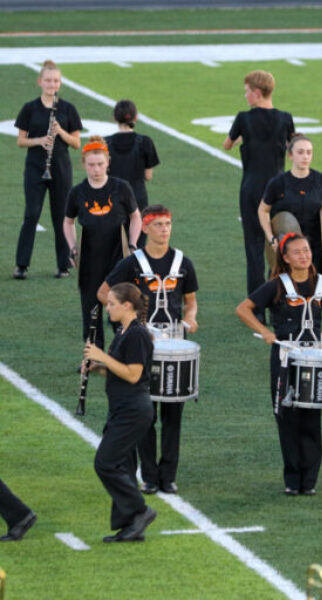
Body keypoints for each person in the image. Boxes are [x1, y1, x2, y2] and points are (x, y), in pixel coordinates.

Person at [235, 233, 322, 495]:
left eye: (307, 250)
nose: (304, 255)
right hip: (286, 358)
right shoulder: (277, 285)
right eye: (297, 252)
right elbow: (243, 308)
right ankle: (292, 479)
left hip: (314, 359)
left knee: (312, 417)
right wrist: (264, 331)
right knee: (287, 418)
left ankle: (309, 481)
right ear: (285, 258)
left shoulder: (321, 283)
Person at [98, 205, 198, 495]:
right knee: (145, 413)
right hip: (143, 344)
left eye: (168, 224)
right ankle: (150, 476)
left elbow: (190, 300)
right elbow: (105, 292)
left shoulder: (182, 262)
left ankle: (169, 475)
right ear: (145, 228)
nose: (164, 229)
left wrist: (190, 317)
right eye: (158, 225)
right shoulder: (132, 263)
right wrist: (127, 323)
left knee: (173, 413)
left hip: (174, 344)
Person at [84, 282, 157, 542]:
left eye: (112, 304)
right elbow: (120, 370)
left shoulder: (136, 334)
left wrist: (102, 356)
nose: (108, 308)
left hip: (133, 410)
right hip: (122, 409)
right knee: (123, 466)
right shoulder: (123, 331)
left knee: (105, 462)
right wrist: (98, 368)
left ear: (127, 305)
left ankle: (140, 510)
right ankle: (130, 526)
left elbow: (134, 374)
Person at [223, 70, 295, 308]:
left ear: (256, 93)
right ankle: (280, 297)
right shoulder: (285, 118)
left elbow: (227, 145)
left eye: (246, 92)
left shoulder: (243, 118)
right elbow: (293, 145)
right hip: (279, 187)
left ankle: (256, 305)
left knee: (253, 247)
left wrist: (247, 141)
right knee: (280, 245)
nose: (245, 96)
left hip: (252, 187)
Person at [63, 136, 141, 352]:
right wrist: (72, 247)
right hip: (89, 258)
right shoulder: (77, 192)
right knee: (90, 309)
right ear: (84, 164)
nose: (96, 169)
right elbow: (68, 222)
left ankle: (121, 352)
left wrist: (132, 245)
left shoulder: (121, 188)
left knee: (121, 305)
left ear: (107, 162)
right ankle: (93, 355)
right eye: (91, 165)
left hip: (118, 258)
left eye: (100, 164)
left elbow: (135, 217)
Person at [13, 59, 82, 280]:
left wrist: (60, 132)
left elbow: (76, 143)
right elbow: (21, 141)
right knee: (31, 214)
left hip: (60, 168)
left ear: (59, 84)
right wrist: (40, 140)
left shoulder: (68, 109)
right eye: (48, 81)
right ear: (40, 81)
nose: (52, 84)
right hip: (35, 168)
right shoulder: (29, 108)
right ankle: (21, 265)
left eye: (55, 81)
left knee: (60, 216)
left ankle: (63, 265)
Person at [258, 134, 322, 274]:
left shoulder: (320, 180)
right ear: (291, 156)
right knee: (282, 289)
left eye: (309, 152)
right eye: (300, 152)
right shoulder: (277, 183)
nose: (305, 157)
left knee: (312, 288)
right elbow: (263, 210)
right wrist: (271, 238)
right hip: (286, 247)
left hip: (312, 246)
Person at [106, 99, 160, 247]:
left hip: (113, 198)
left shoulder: (106, 143)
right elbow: (148, 176)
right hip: (138, 197)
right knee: (138, 243)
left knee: (115, 244)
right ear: (135, 117)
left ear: (115, 118)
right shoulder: (145, 142)